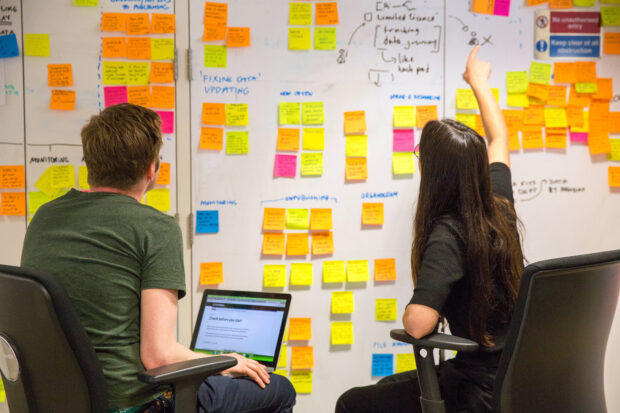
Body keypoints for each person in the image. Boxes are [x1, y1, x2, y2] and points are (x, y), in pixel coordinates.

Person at [21, 103, 296, 413]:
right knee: (279, 389)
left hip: (56, 401)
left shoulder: (45, 217)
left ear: (90, 163)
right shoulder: (156, 228)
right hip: (133, 404)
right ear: (152, 170)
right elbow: (159, 357)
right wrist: (230, 361)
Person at [335, 46, 524, 413]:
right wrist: (478, 82)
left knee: (352, 404)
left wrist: (417, 310)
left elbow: (419, 325)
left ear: (434, 174)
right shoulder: (500, 206)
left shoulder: (448, 235)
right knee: (391, 386)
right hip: (517, 379)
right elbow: (499, 138)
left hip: (478, 389)